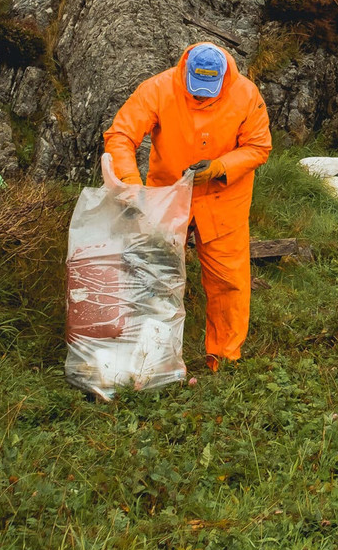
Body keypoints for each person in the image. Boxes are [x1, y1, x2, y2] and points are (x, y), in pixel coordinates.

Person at [103, 42, 271, 372]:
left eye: (209, 92)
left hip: (224, 200)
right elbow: (120, 135)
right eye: (196, 91)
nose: (202, 98)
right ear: (185, 72)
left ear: (224, 78)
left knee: (229, 282)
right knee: (154, 274)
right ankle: (150, 361)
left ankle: (224, 359)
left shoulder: (247, 95)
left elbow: (258, 147)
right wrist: (131, 186)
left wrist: (220, 167)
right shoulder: (158, 89)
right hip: (165, 197)